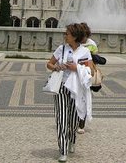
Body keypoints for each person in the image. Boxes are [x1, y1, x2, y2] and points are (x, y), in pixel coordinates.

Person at [46, 23, 92, 162]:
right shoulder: (61, 49)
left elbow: (90, 70)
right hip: (61, 86)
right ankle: (63, 149)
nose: (65, 36)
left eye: (67, 34)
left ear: (75, 36)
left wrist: (76, 67)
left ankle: (72, 139)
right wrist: (56, 67)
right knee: (62, 118)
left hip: (76, 88)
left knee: (73, 119)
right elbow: (49, 64)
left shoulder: (85, 52)